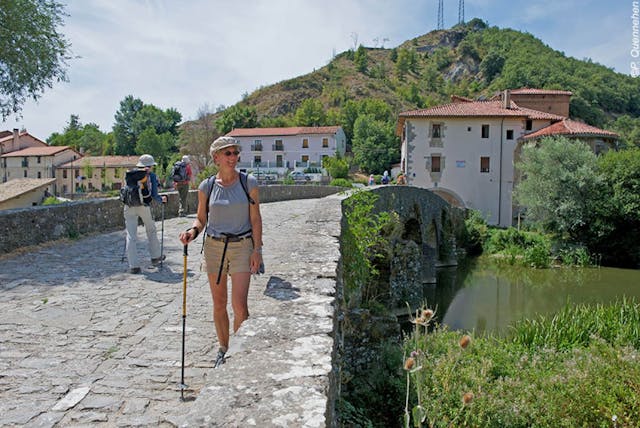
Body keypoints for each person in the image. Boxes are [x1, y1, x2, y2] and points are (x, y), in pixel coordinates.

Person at [179, 136, 263, 368]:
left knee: (240, 306)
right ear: (216, 157)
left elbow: (255, 219)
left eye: (236, 153)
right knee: (219, 303)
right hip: (214, 248)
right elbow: (201, 218)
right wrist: (192, 232)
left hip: (242, 247)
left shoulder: (249, 183)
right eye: (228, 153)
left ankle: (239, 350)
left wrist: (257, 249)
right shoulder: (207, 186)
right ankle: (224, 348)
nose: (233, 157)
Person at [124, 154, 167, 274]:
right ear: (150, 166)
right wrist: (161, 199)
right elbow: (154, 194)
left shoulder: (129, 174)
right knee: (151, 230)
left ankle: (134, 265)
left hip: (129, 206)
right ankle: (155, 256)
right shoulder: (150, 175)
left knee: (131, 235)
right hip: (144, 206)